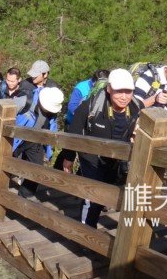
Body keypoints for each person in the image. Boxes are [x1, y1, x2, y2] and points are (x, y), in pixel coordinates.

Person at [59, 69, 141, 228]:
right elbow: (74, 131)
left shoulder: (135, 107)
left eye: (128, 91)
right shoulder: (91, 105)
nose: (124, 96)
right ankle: (86, 231)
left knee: (107, 193)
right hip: (91, 157)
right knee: (93, 195)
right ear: (109, 89)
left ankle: (92, 225)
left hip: (116, 160)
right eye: (119, 91)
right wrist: (69, 157)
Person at [13, 86, 64, 198]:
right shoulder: (27, 100)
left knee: (37, 170)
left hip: (36, 141)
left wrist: (50, 148)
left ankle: (23, 198)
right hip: (16, 138)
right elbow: (6, 112)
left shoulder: (52, 113)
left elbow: (52, 128)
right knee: (7, 163)